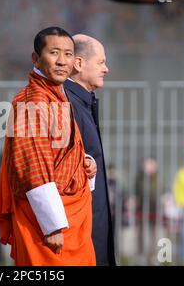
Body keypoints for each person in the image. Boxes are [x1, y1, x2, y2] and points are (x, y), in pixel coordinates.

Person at [0, 27, 96, 265]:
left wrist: (84, 162)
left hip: (70, 215)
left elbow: (59, 150)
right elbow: (32, 165)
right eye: (54, 52)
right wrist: (52, 226)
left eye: (68, 54)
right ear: (36, 58)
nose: (62, 61)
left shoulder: (57, 94)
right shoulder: (32, 99)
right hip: (46, 224)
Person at [63, 34, 116, 266]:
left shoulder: (82, 102)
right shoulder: (67, 104)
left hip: (91, 227)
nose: (106, 69)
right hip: (80, 232)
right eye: (101, 62)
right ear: (79, 64)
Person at [134, 157, 159, 264]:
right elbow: (138, 191)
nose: (149, 167)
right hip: (142, 210)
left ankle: (153, 256)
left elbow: (158, 192)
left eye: (151, 164)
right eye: (148, 164)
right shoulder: (140, 178)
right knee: (141, 234)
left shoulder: (158, 178)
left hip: (155, 210)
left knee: (153, 234)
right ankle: (141, 255)